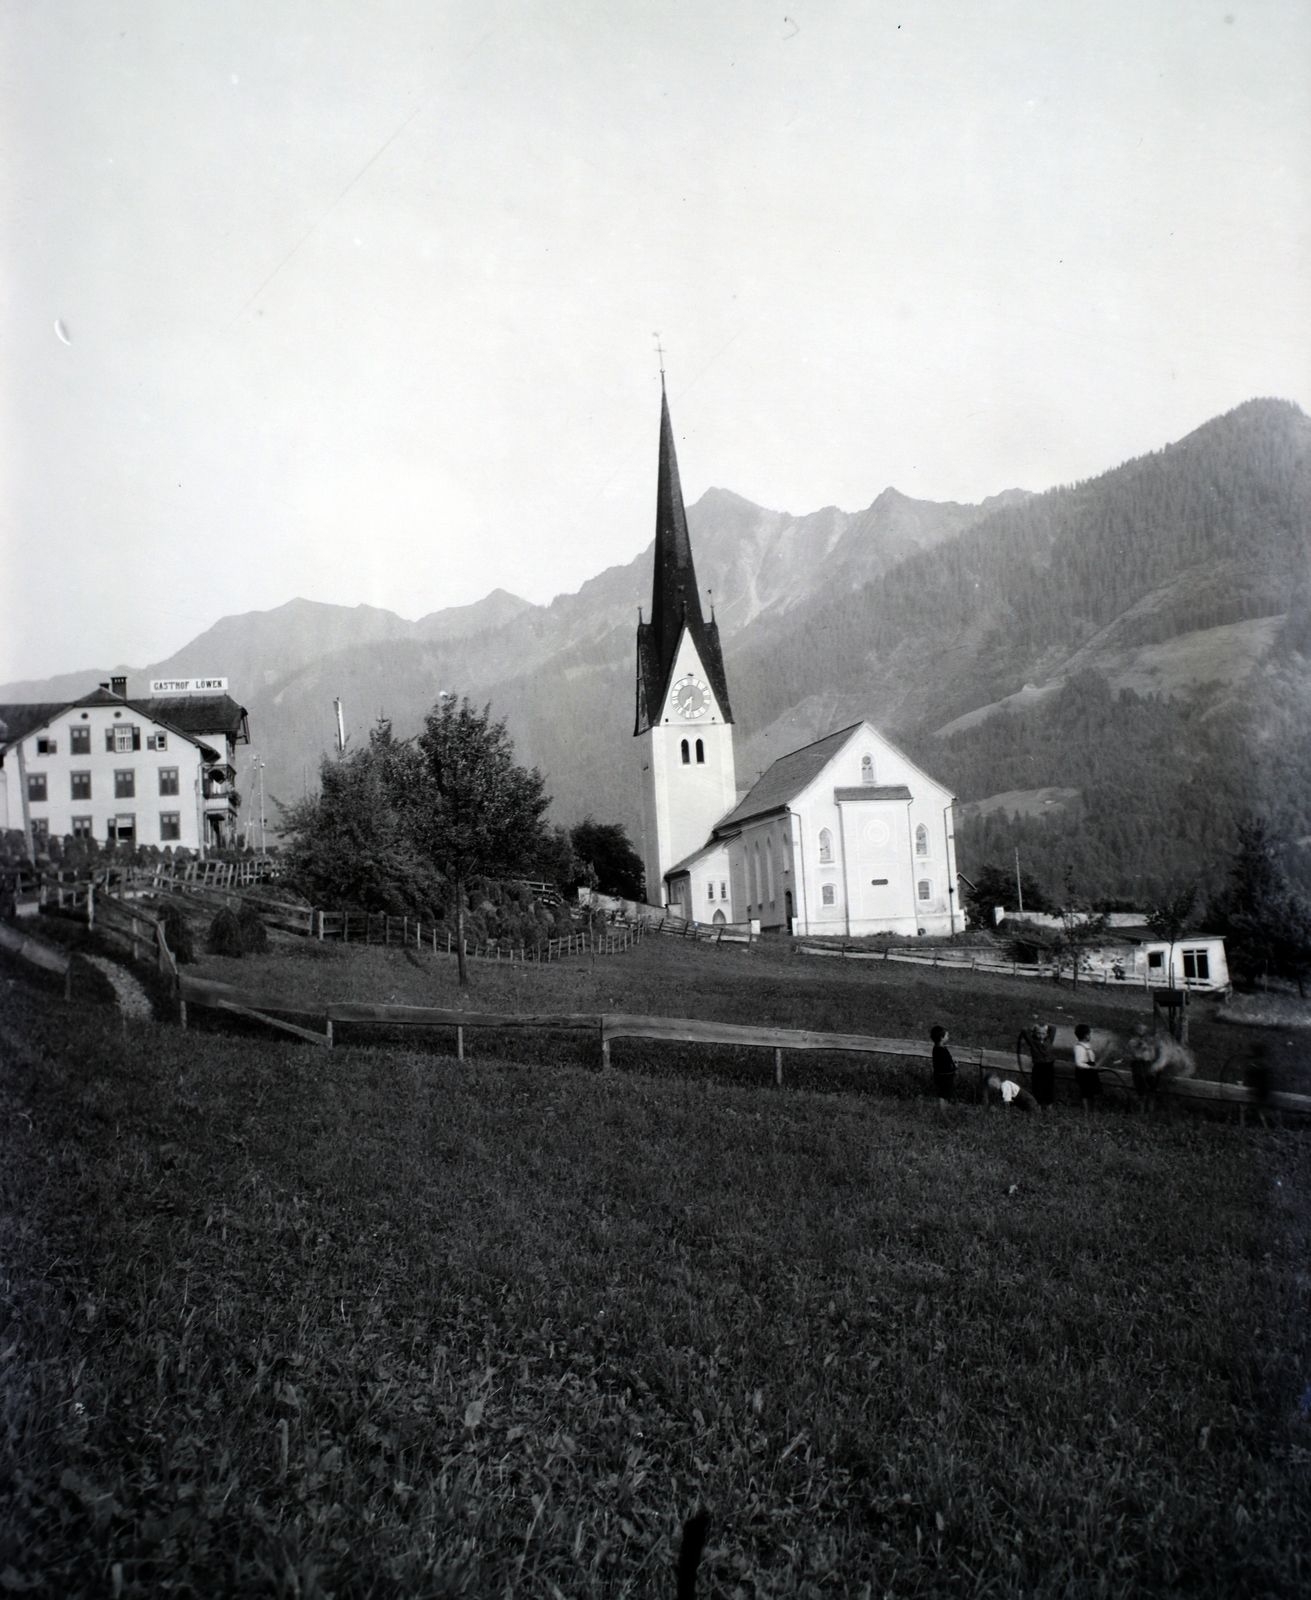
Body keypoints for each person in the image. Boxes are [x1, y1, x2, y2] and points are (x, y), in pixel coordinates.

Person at [1017, 1020, 1057, 1109]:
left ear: (1047, 1034)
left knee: (1049, 1086)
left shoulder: (1049, 1040)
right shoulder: (1032, 1041)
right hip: (1038, 1067)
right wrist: (1033, 1027)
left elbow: (1053, 1028)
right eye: (1038, 1033)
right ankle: (1038, 1105)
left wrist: (1045, 1026)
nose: (1040, 1036)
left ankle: (1048, 1105)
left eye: (1043, 1033)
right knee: (1037, 1086)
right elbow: (1024, 1031)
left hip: (1049, 1067)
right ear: (1034, 1033)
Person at [1073, 1023, 1100, 1115]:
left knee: (1095, 1091)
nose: (1090, 1036)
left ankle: (1094, 1110)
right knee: (1085, 1092)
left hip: (1091, 1070)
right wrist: (1090, 1067)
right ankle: (1086, 1111)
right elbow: (1079, 1063)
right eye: (1089, 1034)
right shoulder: (1079, 1047)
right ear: (1085, 1035)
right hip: (1083, 1072)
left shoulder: (1088, 1045)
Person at [930, 1024, 956, 1108]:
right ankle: (942, 1109)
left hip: (938, 1075)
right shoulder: (942, 1051)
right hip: (945, 1076)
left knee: (943, 1093)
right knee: (944, 1093)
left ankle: (943, 1107)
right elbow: (946, 1064)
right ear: (942, 1038)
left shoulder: (936, 1048)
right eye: (947, 1036)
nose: (948, 1037)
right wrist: (954, 1066)